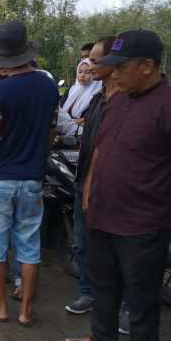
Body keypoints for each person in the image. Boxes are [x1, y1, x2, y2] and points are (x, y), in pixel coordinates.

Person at [62, 30, 171, 341]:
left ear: (147, 66)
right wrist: (88, 189)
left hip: (142, 220)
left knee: (143, 293)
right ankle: (103, 339)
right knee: (104, 282)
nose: (114, 74)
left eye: (122, 67)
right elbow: (99, 149)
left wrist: (156, 169)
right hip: (102, 211)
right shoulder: (118, 101)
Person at [0, 20, 60, 326]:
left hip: (1, 180)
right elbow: (51, 131)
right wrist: (38, 157)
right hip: (33, 179)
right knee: (29, 244)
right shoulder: (49, 87)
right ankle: (25, 312)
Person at [64, 37, 116, 315]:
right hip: (84, 182)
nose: (89, 66)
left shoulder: (128, 102)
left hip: (115, 191)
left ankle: (125, 307)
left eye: (95, 61)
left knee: (116, 251)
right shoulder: (97, 98)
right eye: (87, 62)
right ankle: (88, 293)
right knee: (82, 243)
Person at [56, 59, 101, 136]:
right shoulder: (71, 90)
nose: (82, 75)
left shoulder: (97, 95)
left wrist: (84, 121)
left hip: (82, 135)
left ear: (93, 73)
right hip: (63, 131)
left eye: (87, 73)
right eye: (80, 72)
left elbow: (93, 119)